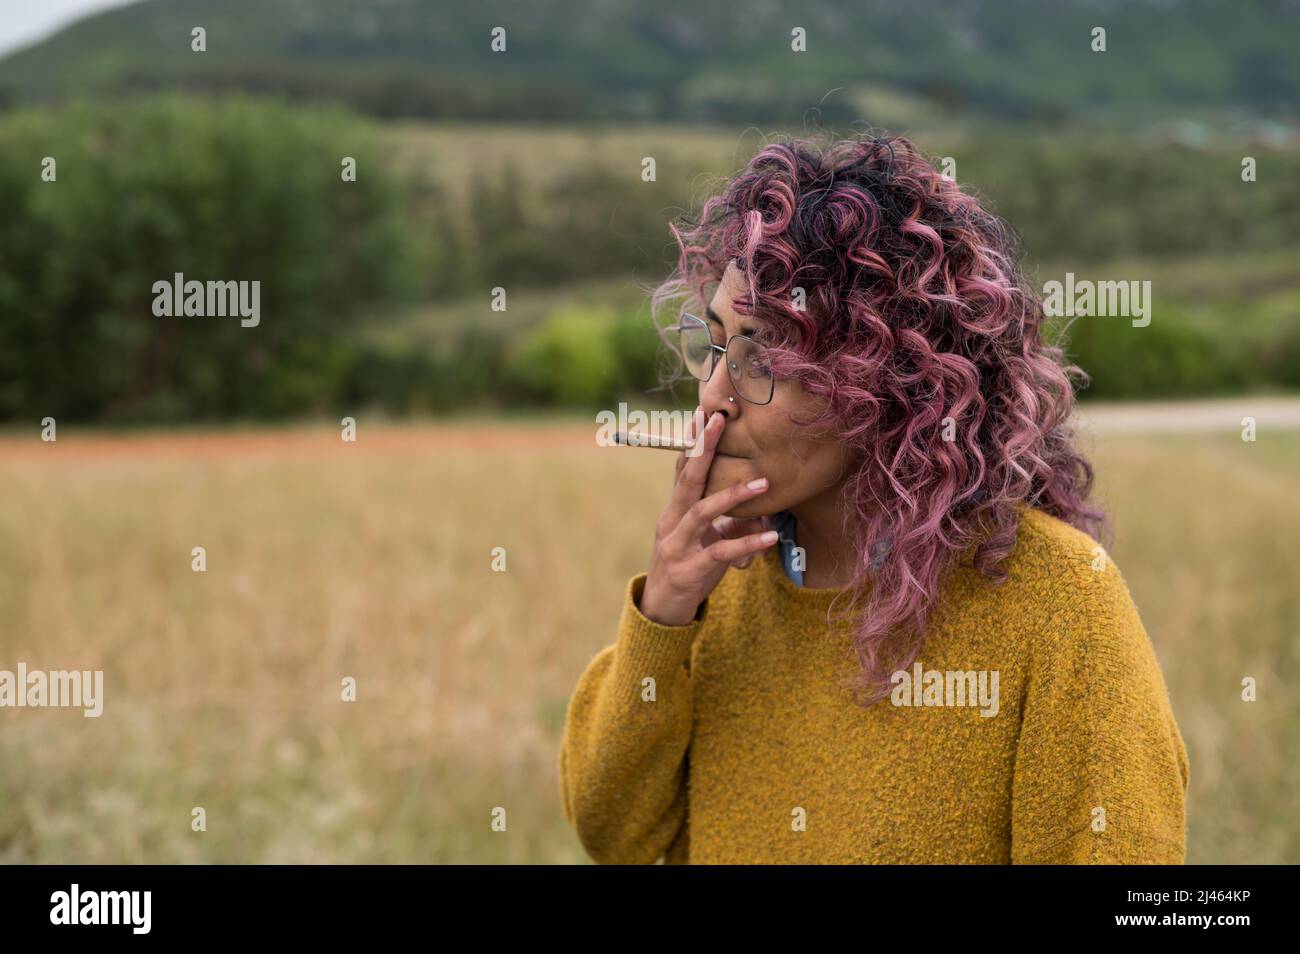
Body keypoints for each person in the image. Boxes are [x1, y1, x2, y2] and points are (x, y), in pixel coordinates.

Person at [558, 134, 1189, 864]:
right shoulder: (717, 588)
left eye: (763, 355)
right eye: (716, 344)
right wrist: (663, 615)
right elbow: (614, 835)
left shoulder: (1058, 607)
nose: (712, 399)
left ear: (886, 381)